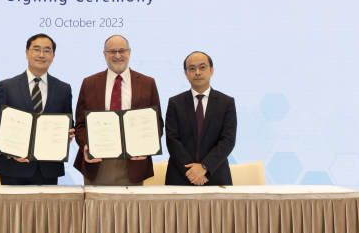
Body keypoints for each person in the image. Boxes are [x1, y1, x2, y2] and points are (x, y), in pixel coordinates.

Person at [73, 35, 164, 186]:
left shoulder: (148, 83)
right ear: (104, 54)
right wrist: (85, 145)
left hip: (134, 164)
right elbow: (80, 125)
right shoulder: (89, 83)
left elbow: (157, 123)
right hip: (98, 164)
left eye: (122, 51)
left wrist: (147, 147)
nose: (117, 56)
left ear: (129, 52)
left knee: (131, 210)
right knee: (96, 210)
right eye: (112, 51)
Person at [0, 34, 74, 185]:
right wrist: (10, 151)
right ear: (27, 53)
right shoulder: (7, 86)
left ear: (53, 56)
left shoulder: (64, 89)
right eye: (36, 49)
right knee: (12, 210)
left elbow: (68, 123)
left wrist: (68, 132)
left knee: (46, 210)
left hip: (48, 169)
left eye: (47, 51)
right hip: (14, 168)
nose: (41, 55)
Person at [165, 51, 237, 186]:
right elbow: (172, 139)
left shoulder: (226, 102)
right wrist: (192, 173)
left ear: (212, 70)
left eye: (202, 67)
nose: (197, 72)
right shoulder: (175, 102)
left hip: (215, 174)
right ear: (186, 74)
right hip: (181, 175)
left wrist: (204, 167)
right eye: (192, 68)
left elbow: (228, 140)